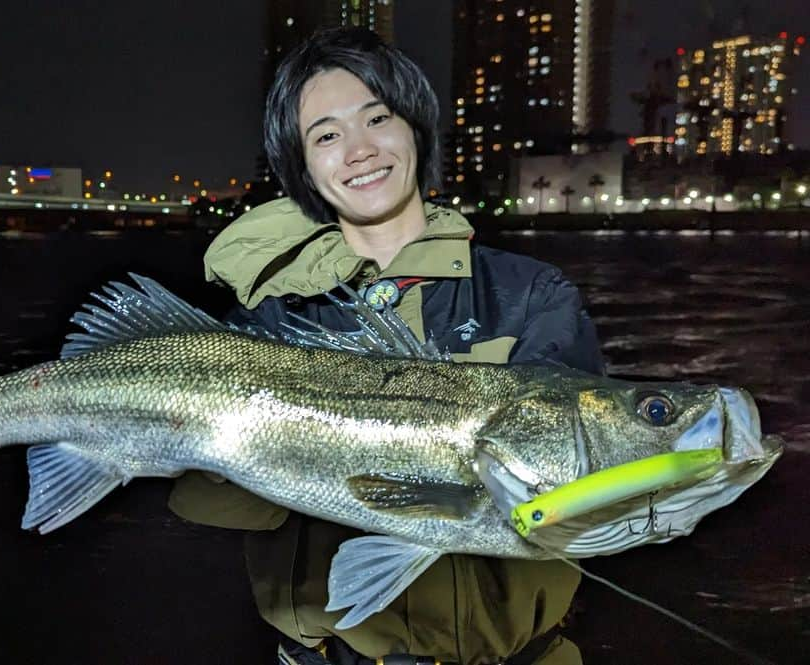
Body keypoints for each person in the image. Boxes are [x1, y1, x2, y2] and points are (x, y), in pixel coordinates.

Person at [169, 27, 605, 665]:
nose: (359, 150)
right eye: (326, 135)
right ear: (303, 168)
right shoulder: (271, 319)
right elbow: (211, 505)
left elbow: (579, 488)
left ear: (416, 131)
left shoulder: (530, 294)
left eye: (378, 117)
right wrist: (210, 449)